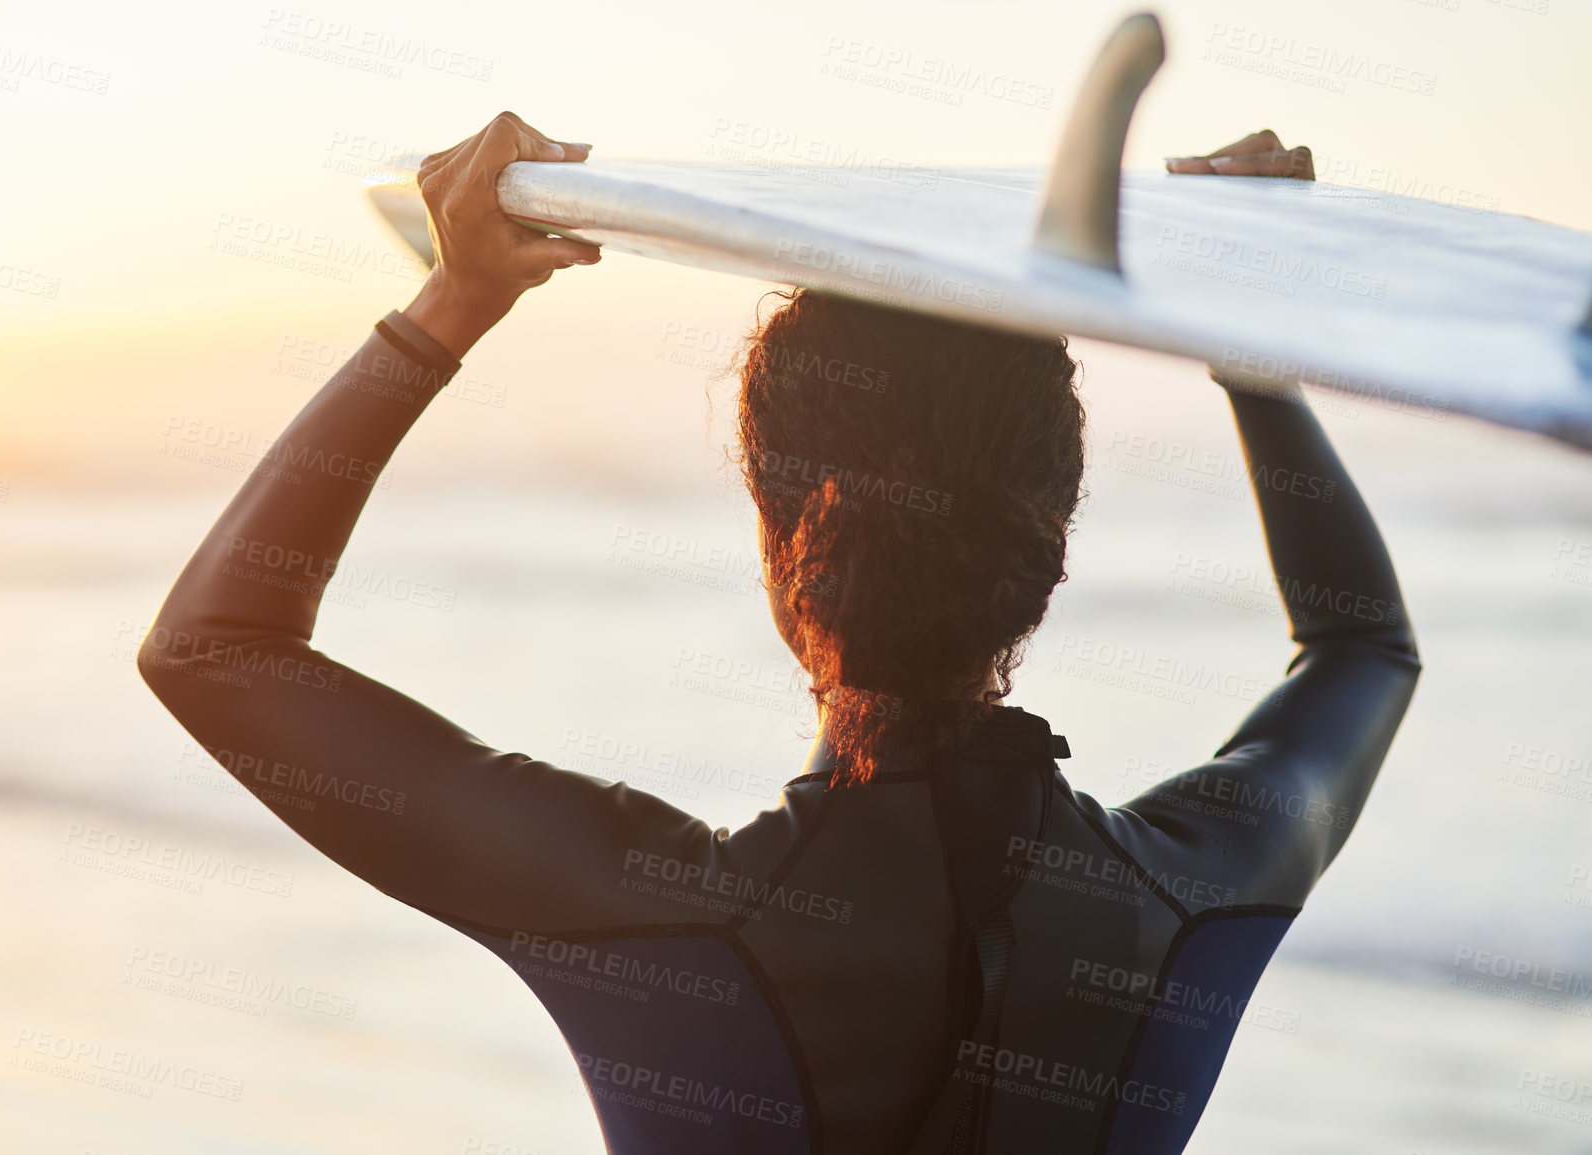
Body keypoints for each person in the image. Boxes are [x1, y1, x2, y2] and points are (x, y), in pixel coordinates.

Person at [138, 117, 1417, 1154]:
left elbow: (211, 646)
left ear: (783, 534)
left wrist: (450, 303)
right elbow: (1363, 651)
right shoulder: (1195, 891)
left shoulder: (647, 912)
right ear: (1054, 535)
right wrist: (1254, 358)